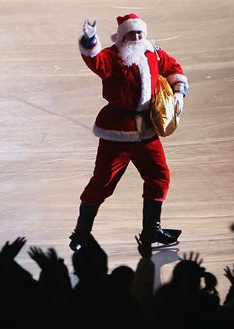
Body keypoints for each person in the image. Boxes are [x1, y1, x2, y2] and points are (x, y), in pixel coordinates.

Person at [69, 13, 188, 251]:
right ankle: (81, 233)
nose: (136, 37)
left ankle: (151, 228)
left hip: (145, 128)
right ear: (122, 37)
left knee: (159, 175)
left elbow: (172, 67)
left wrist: (178, 92)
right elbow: (94, 59)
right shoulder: (113, 57)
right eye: (131, 34)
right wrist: (90, 38)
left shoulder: (152, 52)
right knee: (103, 182)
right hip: (118, 132)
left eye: (139, 33)